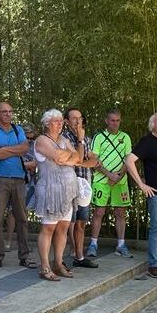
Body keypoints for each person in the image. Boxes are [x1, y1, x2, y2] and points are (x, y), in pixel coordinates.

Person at [33, 109, 86, 281]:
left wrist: (75, 149)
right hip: (50, 191)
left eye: (60, 121)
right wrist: (69, 156)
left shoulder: (64, 139)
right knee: (48, 229)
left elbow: (79, 158)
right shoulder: (41, 140)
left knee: (63, 228)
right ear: (47, 123)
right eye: (55, 121)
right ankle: (45, 267)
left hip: (66, 192)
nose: (59, 124)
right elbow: (57, 157)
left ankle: (58, 262)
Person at [124, 112, 157, 279]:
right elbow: (129, 160)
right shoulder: (147, 142)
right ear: (152, 125)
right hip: (156, 192)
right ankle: (154, 264)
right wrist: (141, 184)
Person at [0, 102, 36, 270]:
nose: (8, 114)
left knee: (22, 218)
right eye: (4, 112)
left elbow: (25, 148)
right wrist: (15, 149)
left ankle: (25, 255)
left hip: (19, 178)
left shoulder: (18, 129)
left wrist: (4, 149)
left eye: (10, 111)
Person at [90, 109, 133, 259]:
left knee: (120, 213)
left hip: (120, 181)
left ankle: (121, 244)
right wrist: (109, 175)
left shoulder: (125, 137)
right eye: (112, 120)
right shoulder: (99, 137)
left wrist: (118, 176)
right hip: (101, 180)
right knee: (98, 212)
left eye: (118, 120)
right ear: (106, 121)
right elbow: (94, 159)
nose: (115, 123)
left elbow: (129, 159)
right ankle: (93, 244)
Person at [64, 108, 99, 270]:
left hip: (84, 186)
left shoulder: (88, 138)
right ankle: (59, 259)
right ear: (66, 121)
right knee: (65, 224)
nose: (78, 122)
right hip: (68, 185)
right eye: (74, 118)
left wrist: (80, 162)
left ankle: (79, 256)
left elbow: (93, 161)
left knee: (81, 222)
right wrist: (79, 142)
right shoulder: (63, 138)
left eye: (80, 118)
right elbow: (73, 158)